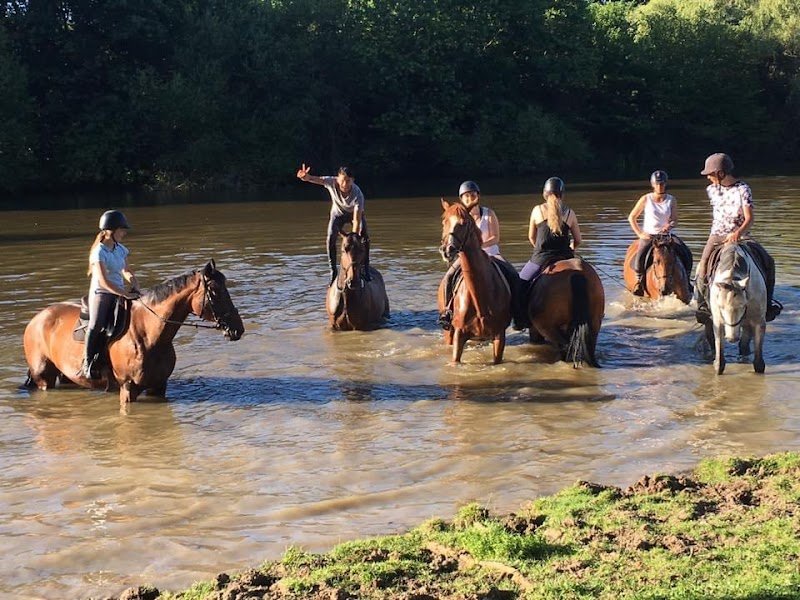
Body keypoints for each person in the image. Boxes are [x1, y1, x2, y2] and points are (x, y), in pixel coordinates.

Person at [694, 152, 781, 323]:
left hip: (741, 236)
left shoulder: (743, 189)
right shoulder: (711, 190)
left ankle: (768, 304)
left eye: (711, 174)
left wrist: (737, 233)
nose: (708, 178)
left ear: (720, 173)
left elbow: (749, 218)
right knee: (702, 267)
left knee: (768, 261)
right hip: (716, 236)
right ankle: (703, 306)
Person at [439, 180, 520, 329]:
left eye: (472, 194)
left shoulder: (488, 214)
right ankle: (446, 312)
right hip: (467, 257)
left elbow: (495, 237)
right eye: (466, 196)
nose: (469, 198)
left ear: (477, 196)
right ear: (461, 199)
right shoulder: (459, 217)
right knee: (449, 276)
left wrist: (477, 246)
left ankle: (517, 313)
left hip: (491, 254)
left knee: (513, 275)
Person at [82, 210, 140, 380]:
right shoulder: (98, 252)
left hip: (120, 291)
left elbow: (125, 270)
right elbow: (104, 282)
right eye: (122, 230)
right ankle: (88, 362)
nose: (124, 233)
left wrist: (134, 282)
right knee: (96, 323)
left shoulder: (121, 249)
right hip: (102, 292)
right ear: (110, 231)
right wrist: (124, 294)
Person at [296, 164, 369, 285]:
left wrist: (354, 238)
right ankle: (333, 270)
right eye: (342, 181)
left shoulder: (358, 194)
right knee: (330, 237)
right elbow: (317, 179)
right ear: (337, 178)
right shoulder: (331, 182)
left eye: (348, 181)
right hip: (337, 214)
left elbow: (356, 219)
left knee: (364, 237)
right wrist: (306, 177)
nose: (344, 184)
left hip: (353, 215)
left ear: (353, 180)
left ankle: (364, 269)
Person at [627, 170, 677, 296]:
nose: (660, 186)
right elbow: (632, 217)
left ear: (665, 184)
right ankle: (639, 281)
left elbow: (674, 219)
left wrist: (669, 225)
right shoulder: (645, 199)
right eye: (657, 184)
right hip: (649, 235)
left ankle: (686, 280)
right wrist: (640, 234)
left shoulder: (671, 200)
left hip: (665, 236)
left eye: (662, 184)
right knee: (640, 257)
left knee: (685, 252)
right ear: (653, 185)